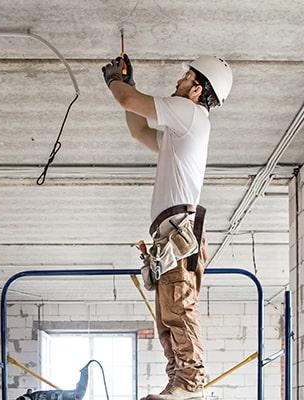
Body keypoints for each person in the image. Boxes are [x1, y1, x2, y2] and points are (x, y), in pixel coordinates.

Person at [102, 54, 233, 400]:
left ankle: (191, 384)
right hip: (169, 236)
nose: (179, 81)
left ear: (197, 90)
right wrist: (127, 86)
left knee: (179, 308)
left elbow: (129, 102)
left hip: (179, 234)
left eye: (186, 77)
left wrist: (118, 82)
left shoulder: (190, 115)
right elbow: (138, 128)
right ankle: (178, 381)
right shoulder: (179, 133)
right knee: (167, 317)